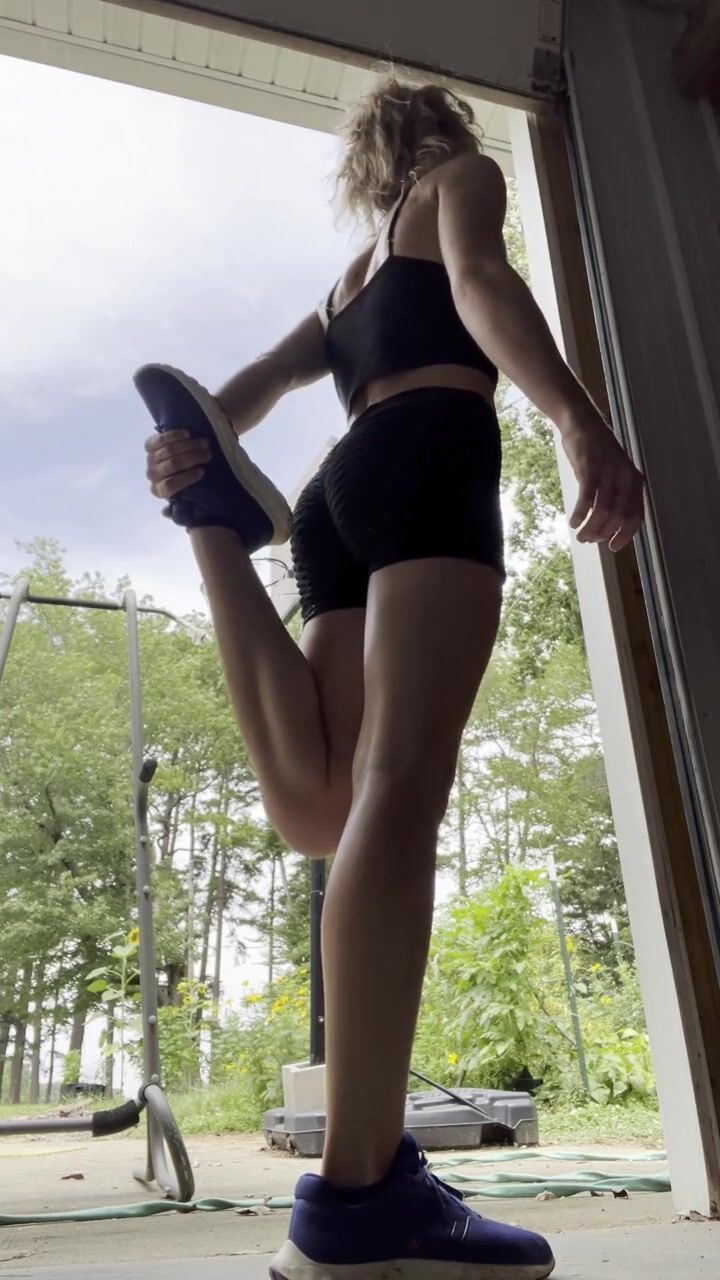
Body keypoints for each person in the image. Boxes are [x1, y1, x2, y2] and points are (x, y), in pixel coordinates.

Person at [137, 77, 644, 1280]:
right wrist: (576, 418)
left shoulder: (344, 287)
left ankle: (215, 531)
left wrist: (193, 454)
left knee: (327, 802)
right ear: (440, 133)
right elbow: (481, 283)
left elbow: (246, 395)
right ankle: (360, 1195)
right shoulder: (463, 181)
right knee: (402, 784)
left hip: (334, 497)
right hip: (427, 456)